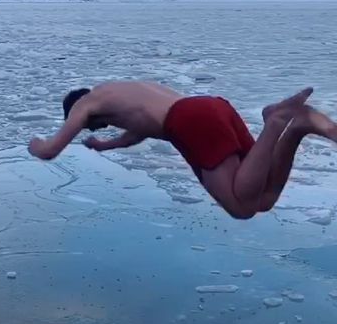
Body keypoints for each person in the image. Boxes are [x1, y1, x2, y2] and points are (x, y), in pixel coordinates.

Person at [28, 81, 337, 220]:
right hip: (211, 107)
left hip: (188, 122)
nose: (95, 129)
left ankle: (275, 122)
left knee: (241, 208)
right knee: (263, 200)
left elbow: (49, 151)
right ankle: (298, 128)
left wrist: (34, 145)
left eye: (89, 127)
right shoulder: (119, 91)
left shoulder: (85, 104)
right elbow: (140, 128)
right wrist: (107, 145)